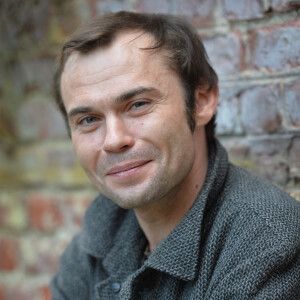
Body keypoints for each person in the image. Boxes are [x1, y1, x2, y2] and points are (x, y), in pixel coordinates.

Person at [50, 11, 300, 299]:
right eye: (88, 120)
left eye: (138, 104)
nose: (114, 140)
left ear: (201, 102)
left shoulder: (265, 239)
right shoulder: (97, 236)